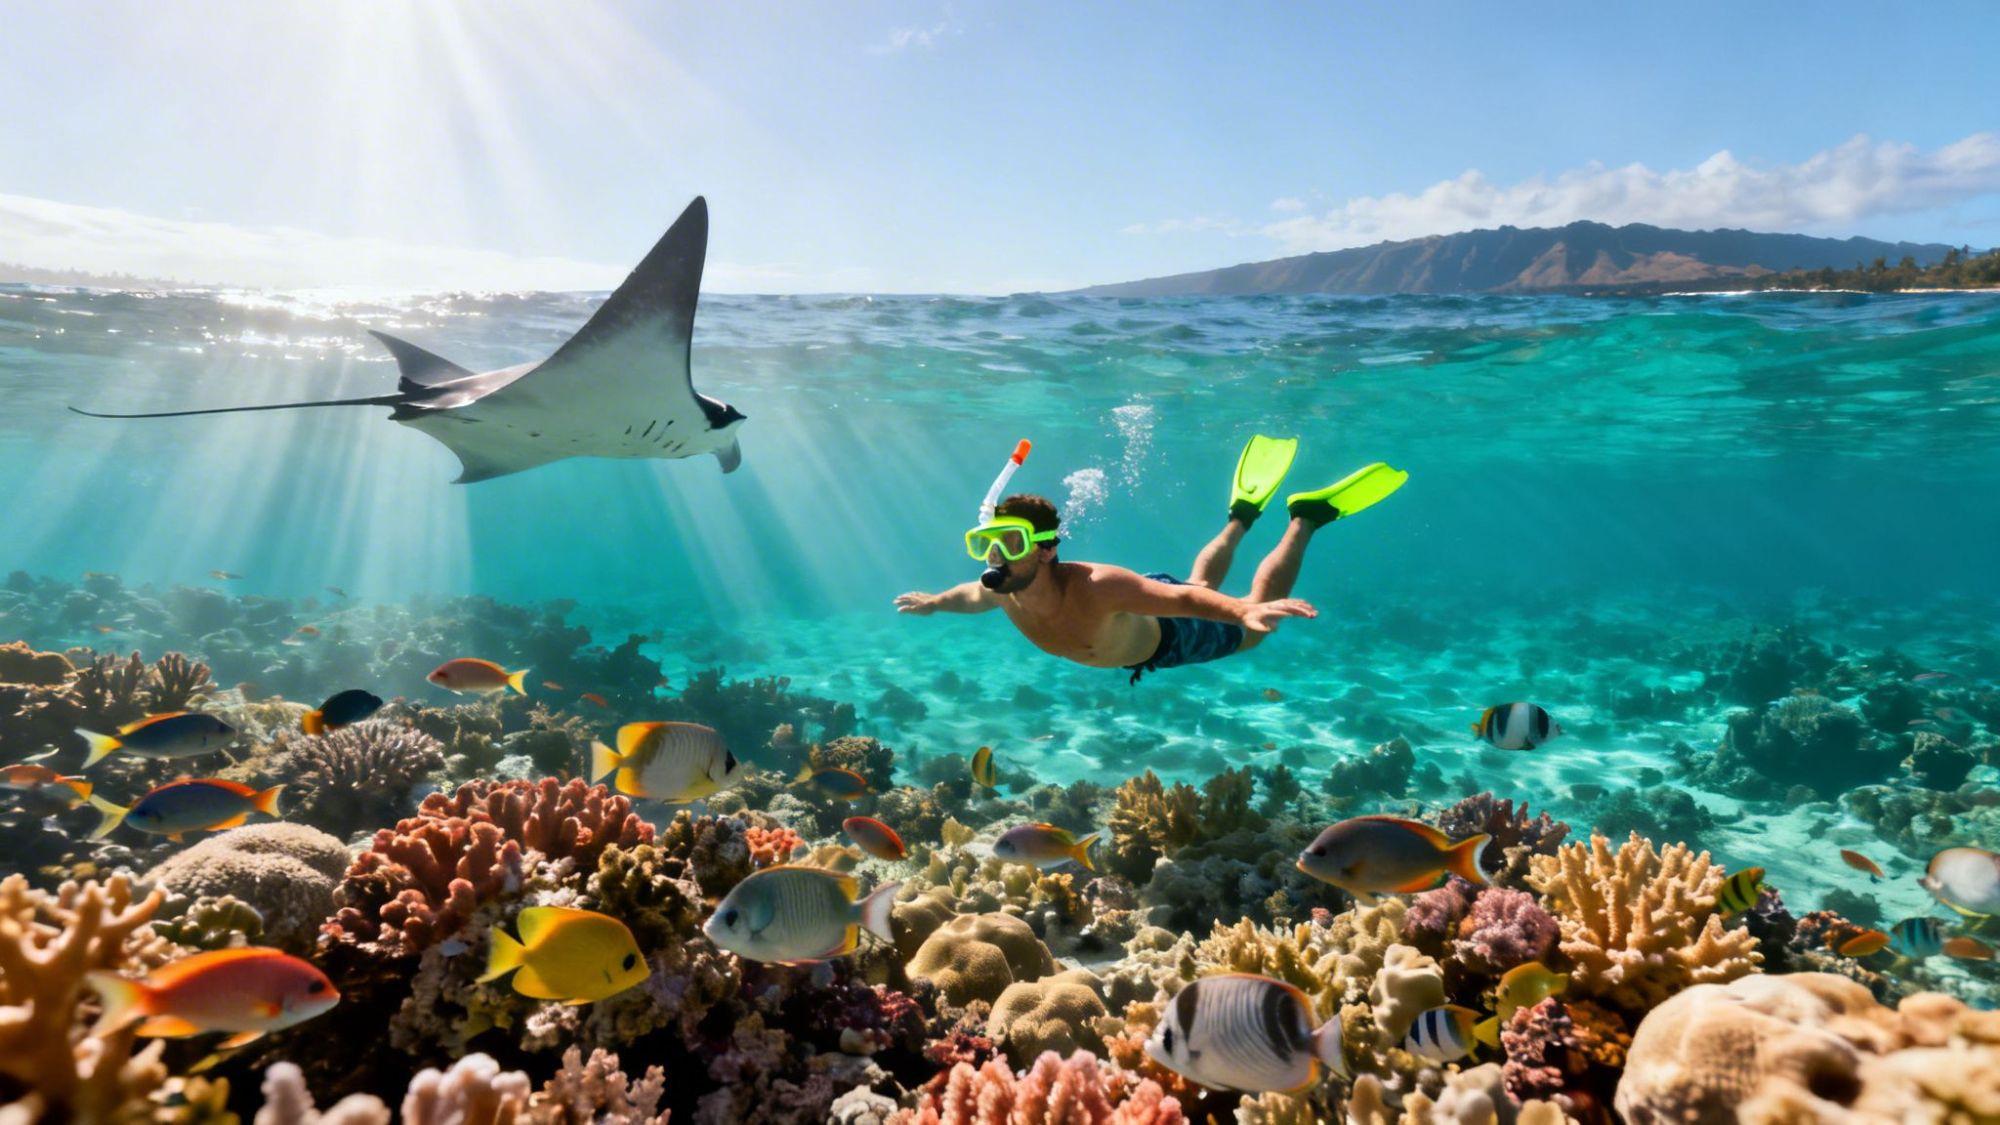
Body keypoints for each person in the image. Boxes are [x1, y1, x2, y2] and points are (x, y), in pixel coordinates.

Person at [894, 436, 1406, 683]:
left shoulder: (1096, 586)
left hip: (1168, 631)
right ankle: (1243, 513)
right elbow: (969, 595)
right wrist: (936, 603)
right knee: (1202, 578)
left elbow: (1182, 599)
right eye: (986, 542)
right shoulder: (1001, 587)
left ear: (1047, 548)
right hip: (1142, 613)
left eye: (1010, 542)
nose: (994, 555)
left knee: (1250, 624)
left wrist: (1241, 613)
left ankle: (1306, 517)